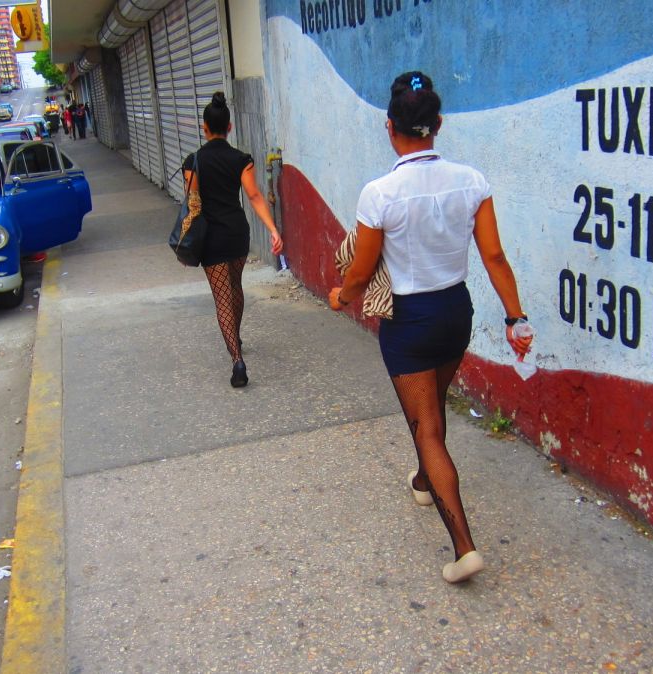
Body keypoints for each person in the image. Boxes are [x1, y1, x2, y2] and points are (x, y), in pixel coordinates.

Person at [329, 71, 532, 584]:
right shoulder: (473, 181)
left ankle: (464, 547)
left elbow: (360, 268)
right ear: (437, 124)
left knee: (428, 428)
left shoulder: (380, 193)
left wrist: (342, 296)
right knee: (431, 409)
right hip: (455, 313)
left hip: (410, 322)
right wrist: (515, 316)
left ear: (389, 126)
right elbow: (494, 255)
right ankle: (423, 479)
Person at [182, 91, 284, 388]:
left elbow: (192, 202)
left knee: (221, 296)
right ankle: (236, 335)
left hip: (210, 236)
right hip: (237, 232)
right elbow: (253, 195)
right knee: (235, 285)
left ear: (204, 127)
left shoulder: (194, 161)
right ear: (229, 127)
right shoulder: (241, 159)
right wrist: (273, 229)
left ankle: (236, 358)